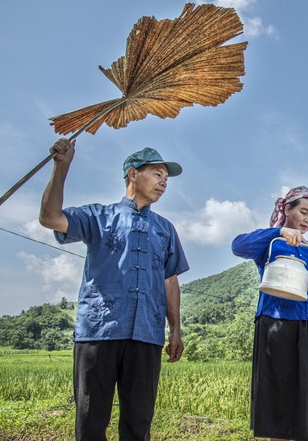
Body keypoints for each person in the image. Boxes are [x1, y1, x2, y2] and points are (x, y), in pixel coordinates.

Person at [39, 138, 189, 441]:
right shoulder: (98, 216)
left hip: (146, 333)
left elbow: (169, 280)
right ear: (133, 174)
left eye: (166, 178)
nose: (164, 182)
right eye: (157, 174)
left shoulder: (165, 228)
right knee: (91, 420)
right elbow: (50, 218)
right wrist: (61, 167)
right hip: (99, 331)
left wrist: (175, 329)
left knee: (138, 421)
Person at [231, 185, 308, 441]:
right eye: (304, 212)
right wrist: (280, 230)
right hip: (277, 325)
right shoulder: (270, 242)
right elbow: (237, 246)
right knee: (280, 403)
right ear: (287, 209)